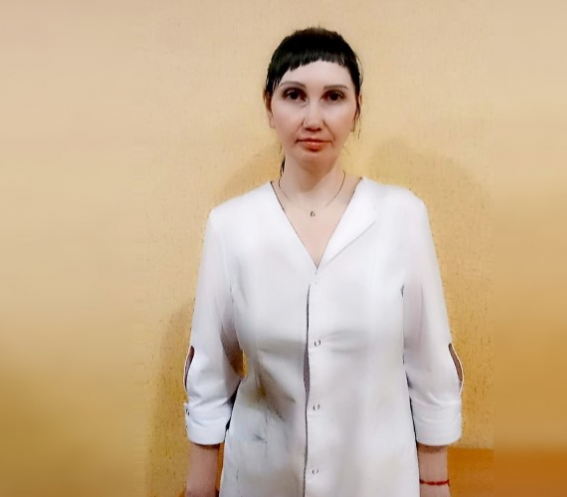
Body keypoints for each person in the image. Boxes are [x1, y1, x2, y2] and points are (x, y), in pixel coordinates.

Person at [183, 27, 464, 497]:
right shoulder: (231, 226)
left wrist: (434, 483)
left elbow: (429, 364)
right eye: (295, 95)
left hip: (377, 481)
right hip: (261, 481)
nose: (313, 118)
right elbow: (210, 373)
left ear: (356, 110)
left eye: (333, 97)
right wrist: (200, 487)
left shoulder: (400, 217)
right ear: (269, 105)